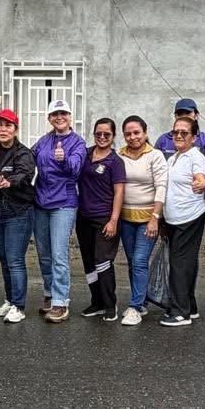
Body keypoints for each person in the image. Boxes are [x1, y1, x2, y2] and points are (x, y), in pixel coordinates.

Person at [31, 99, 87, 323]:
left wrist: (64, 160)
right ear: (49, 118)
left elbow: (76, 168)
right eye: (55, 114)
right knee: (44, 254)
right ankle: (49, 293)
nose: (59, 117)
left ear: (70, 117)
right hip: (41, 202)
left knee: (59, 254)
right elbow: (27, 157)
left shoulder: (78, 142)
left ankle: (60, 302)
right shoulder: (44, 141)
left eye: (63, 113)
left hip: (64, 203)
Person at [0, 109, 36, 324]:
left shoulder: (23, 153)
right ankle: (10, 299)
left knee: (15, 260)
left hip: (18, 211)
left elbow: (25, 173)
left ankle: (19, 306)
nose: (3, 129)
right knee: (4, 260)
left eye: (8, 125)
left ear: (16, 129)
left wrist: (10, 181)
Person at [117, 115, 167, 326]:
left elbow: (161, 186)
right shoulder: (119, 155)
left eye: (137, 132)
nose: (133, 137)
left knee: (139, 260)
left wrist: (155, 218)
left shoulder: (155, 155)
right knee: (132, 262)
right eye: (128, 134)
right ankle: (141, 301)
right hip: (125, 218)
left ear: (145, 133)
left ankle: (135, 307)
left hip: (148, 219)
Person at [159, 117, 205, 326]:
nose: (178, 135)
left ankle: (181, 313)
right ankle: (190, 306)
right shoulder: (173, 158)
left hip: (190, 217)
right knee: (183, 263)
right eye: (175, 132)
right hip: (173, 219)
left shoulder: (196, 157)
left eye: (184, 132)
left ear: (194, 137)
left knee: (179, 263)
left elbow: (200, 178)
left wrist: (201, 183)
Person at [76, 118, 126, 322]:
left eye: (107, 134)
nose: (102, 137)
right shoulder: (86, 154)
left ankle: (110, 304)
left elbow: (119, 192)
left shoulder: (116, 161)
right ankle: (96, 302)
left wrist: (113, 220)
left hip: (105, 218)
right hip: (84, 217)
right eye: (98, 134)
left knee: (103, 261)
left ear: (113, 136)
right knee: (89, 261)